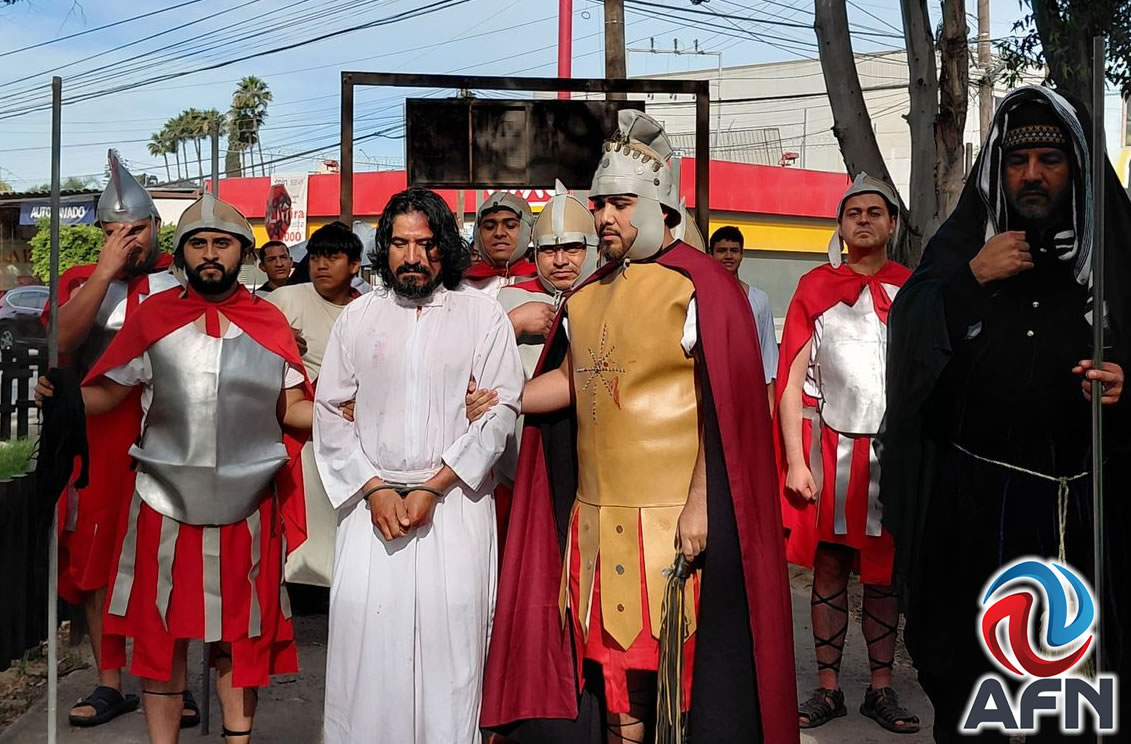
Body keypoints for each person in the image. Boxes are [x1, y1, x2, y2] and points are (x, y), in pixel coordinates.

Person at [481, 110, 798, 744]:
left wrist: (701, 504)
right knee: (614, 676)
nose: (604, 219)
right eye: (600, 205)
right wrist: (499, 397)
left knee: (681, 681)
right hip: (597, 519)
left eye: (620, 205)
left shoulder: (702, 288)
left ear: (659, 204)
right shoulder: (589, 294)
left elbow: (724, 410)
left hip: (674, 519)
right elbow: (572, 380)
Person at [882, 86, 1131, 743]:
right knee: (972, 701)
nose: (1031, 174)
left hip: (1083, 521)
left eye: (1050, 159)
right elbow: (909, 349)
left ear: (1074, 166)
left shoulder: (1114, 255)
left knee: (1072, 706)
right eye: (1018, 162)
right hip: (971, 515)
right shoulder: (962, 247)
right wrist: (971, 277)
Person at [39, 193, 312, 744]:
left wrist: (336, 411)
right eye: (199, 243)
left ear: (243, 253)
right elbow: (110, 394)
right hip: (162, 505)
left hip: (247, 509)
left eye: (223, 243)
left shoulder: (270, 322)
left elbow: (292, 408)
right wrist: (63, 394)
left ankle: (239, 739)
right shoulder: (154, 318)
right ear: (183, 254)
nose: (211, 254)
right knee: (161, 636)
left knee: (240, 634)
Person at [314, 187, 524, 744]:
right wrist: (375, 487)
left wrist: (434, 486)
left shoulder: (483, 317)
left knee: (453, 653)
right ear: (384, 247)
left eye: (425, 245)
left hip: (454, 508)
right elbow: (330, 410)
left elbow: (502, 410)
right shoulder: (358, 318)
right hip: (371, 509)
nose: (412, 257)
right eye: (401, 244)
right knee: (367, 652)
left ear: (444, 249)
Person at [41, 150, 187, 728]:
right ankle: (109, 681)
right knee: (95, 561)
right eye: (112, 230)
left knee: (168, 562)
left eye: (136, 228)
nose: (127, 239)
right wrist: (102, 269)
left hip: (168, 437)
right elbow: (58, 345)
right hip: (97, 440)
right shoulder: (83, 280)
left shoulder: (180, 277)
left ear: (156, 226)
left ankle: (171, 678)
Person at [775, 174, 918, 733]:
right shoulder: (813, 287)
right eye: (853, 212)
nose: (863, 219)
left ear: (892, 224)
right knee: (831, 568)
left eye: (874, 211)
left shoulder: (914, 287)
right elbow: (791, 381)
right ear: (840, 225)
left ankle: (881, 690)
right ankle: (829, 688)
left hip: (892, 456)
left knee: (883, 577)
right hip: (830, 449)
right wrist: (794, 459)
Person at [493, 185, 597, 533]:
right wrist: (513, 323)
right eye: (549, 250)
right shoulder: (507, 300)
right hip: (518, 466)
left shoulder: (613, 296)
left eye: (572, 248)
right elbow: (467, 366)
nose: (560, 260)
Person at [266, 222, 362, 588]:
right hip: (300, 431)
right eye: (316, 257)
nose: (321, 265)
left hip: (356, 433)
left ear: (354, 265)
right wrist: (275, 334)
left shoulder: (367, 309)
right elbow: (243, 324)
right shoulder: (285, 301)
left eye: (333, 257)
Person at [708, 225, 779, 408]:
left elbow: (768, 354)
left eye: (734, 251)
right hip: (712, 392)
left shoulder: (759, 299)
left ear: (742, 254)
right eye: (722, 251)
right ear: (710, 254)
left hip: (749, 393)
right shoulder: (701, 297)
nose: (729, 256)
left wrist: (770, 405)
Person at [462, 192, 537, 299]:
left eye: (510, 226)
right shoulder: (460, 286)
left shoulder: (545, 283)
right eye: (489, 227)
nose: (499, 233)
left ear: (528, 232)